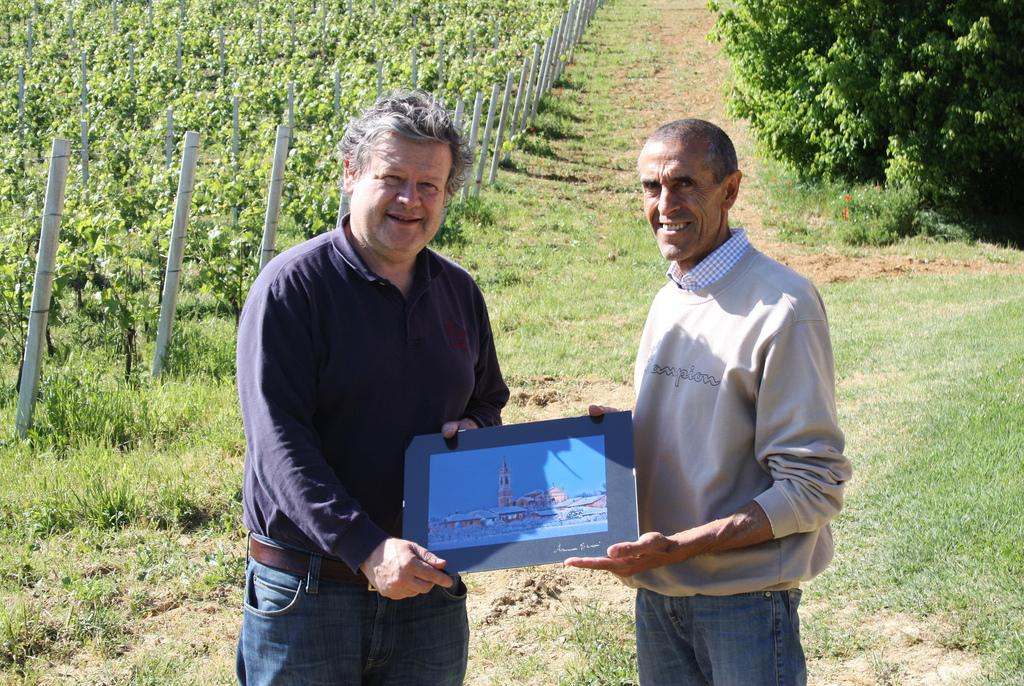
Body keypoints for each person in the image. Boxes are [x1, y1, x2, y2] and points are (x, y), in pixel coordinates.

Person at [234, 91, 509, 685]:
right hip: (310, 592)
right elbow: (280, 445)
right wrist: (366, 547)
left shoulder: (459, 292)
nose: (411, 200)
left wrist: (475, 428)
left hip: (428, 589)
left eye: (429, 185)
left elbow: (488, 399)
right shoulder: (293, 289)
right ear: (351, 174)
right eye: (393, 178)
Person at [566, 119, 852, 686]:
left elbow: (813, 487)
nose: (664, 205)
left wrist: (681, 547)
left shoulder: (784, 308)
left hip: (743, 604)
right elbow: (698, 428)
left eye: (685, 184)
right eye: (652, 187)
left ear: (731, 190)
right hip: (658, 596)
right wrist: (617, 440)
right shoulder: (670, 298)